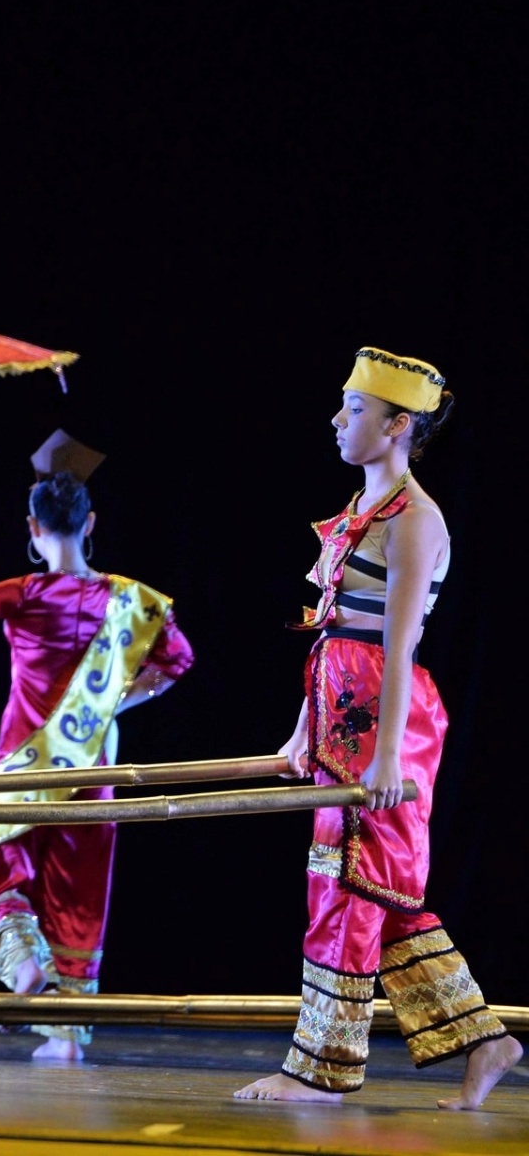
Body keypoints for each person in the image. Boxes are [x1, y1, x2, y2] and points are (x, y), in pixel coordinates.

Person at [238, 348, 520, 1109]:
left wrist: (389, 752)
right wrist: (302, 731)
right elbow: (329, 631)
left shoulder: (416, 521)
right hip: (344, 711)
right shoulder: (358, 515)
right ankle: (485, 1039)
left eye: (353, 409)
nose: (337, 419)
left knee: (344, 888)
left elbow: (398, 649)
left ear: (398, 425)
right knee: (375, 890)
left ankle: (320, 1071)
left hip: (387, 720)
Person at [0, 435, 193, 1062]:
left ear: (32, 527)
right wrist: (116, 701)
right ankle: (67, 1035)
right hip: (91, 762)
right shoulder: (131, 600)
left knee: (1, 875)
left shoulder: (25, 594)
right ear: (90, 523)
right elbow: (178, 661)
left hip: (20, 764)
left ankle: (23, 972)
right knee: (78, 892)